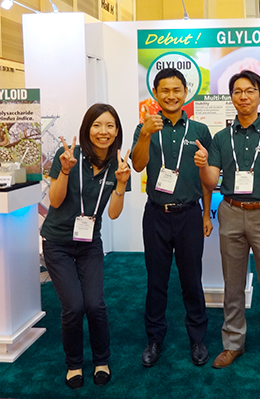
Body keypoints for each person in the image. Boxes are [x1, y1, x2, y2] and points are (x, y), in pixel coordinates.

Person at [194, 69, 260, 374]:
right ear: (231, 97)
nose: (243, 96)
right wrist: (202, 165)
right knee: (233, 283)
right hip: (232, 212)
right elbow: (211, 180)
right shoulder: (221, 138)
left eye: (250, 91)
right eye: (237, 91)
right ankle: (233, 342)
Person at [41, 103, 131, 389]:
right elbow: (55, 201)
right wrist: (65, 171)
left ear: (117, 131)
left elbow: (113, 213)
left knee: (95, 304)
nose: (103, 131)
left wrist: (121, 183)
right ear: (87, 129)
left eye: (110, 126)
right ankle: (74, 363)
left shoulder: (118, 165)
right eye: (97, 125)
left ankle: (101, 360)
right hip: (57, 243)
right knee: (74, 307)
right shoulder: (68, 156)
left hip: (89, 243)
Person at [131, 68, 213, 368]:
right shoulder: (145, 127)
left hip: (189, 214)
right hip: (156, 214)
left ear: (185, 92)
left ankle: (197, 338)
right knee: (157, 280)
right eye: (164, 90)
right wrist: (145, 135)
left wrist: (206, 214)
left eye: (176, 90)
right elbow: (138, 165)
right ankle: (154, 339)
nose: (171, 95)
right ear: (156, 93)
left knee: (192, 279)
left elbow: (207, 179)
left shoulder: (200, 130)